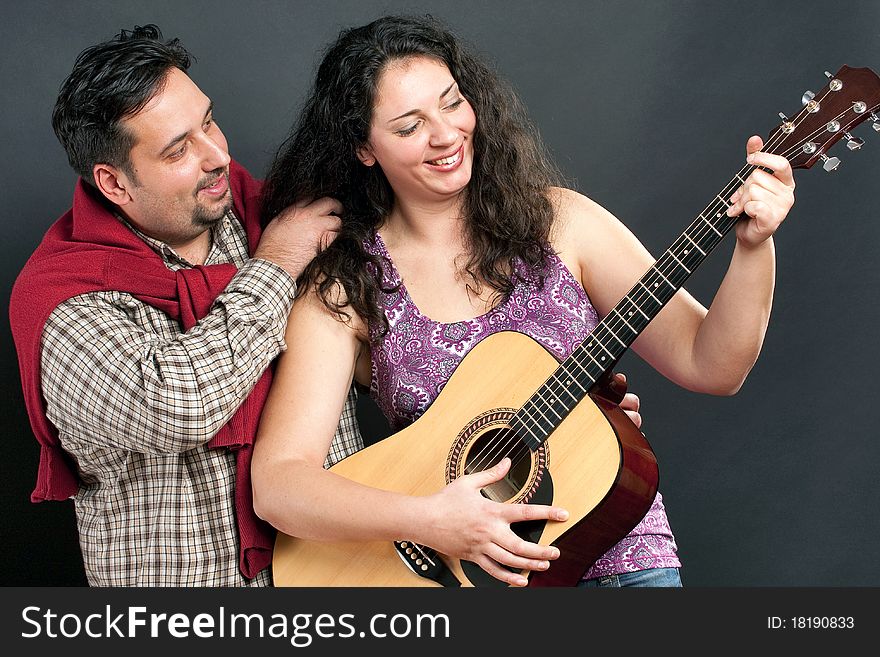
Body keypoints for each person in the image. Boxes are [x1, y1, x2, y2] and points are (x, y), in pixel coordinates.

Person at [251, 15, 795, 587]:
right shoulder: (347, 283)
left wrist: (754, 247)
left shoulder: (561, 222)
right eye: (410, 126)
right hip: (468, 582)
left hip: (624, 560)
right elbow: (281, 484)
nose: (445, 134)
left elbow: (713, 365)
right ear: (364, 148)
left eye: (452, 102)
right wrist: (430, 520)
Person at [8, 24, 362, 586]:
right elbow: (181, 404)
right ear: (114, 183)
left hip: (343, 583)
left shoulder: (270, 211)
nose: (218, 153)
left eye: (208, 122)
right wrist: (274, 268)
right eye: (179, 149)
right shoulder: (63, 301)